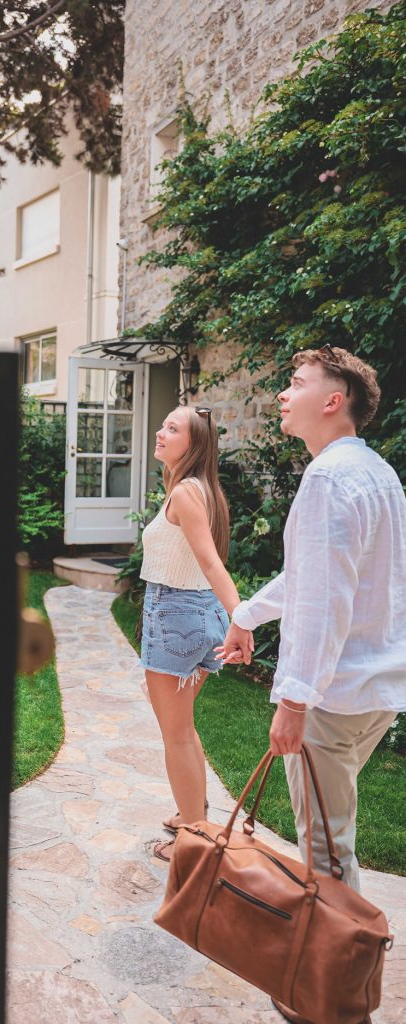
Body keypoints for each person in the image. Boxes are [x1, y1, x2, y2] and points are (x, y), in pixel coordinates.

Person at [218, 345, 406, 1024]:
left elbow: (325, 603)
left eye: (295, 384)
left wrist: (293, 699)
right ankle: (332, 982)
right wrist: (244, 614)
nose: (280, 394)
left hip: (331, 697)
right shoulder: (375, 473)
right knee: (332, 841)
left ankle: (329, 996)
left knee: (325, 853)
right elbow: (314, 580)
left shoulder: (330, 479)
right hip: (374, 692)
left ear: (333, 400)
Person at [139, 404, 246, 862]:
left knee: (176, 735)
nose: (160, 433)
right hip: (193, 613)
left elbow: (209, 561)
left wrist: (242, 617)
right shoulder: (200, 489)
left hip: (175, 614)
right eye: (163, 425)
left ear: (194, 443)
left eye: (173, 428)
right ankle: (192, 815)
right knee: (184, 728)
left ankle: (195, 841)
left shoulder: (186, 492)